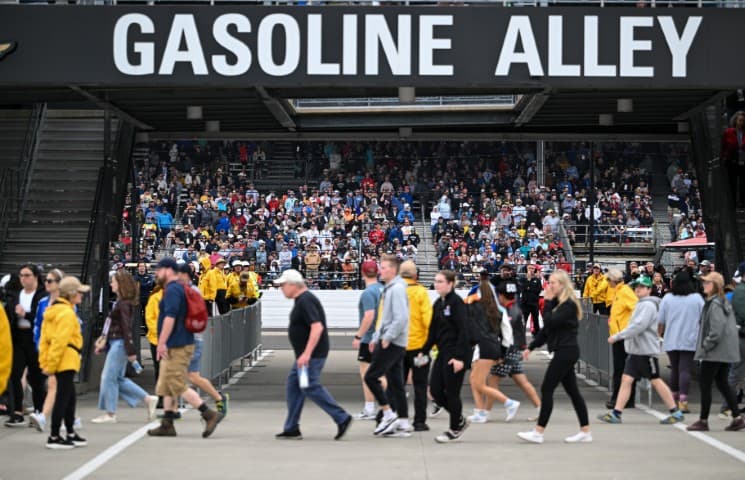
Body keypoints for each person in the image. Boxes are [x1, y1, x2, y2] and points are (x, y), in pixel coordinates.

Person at [147, 258, 223, 438]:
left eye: (158, 270)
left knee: (175, 382)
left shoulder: (173, 290)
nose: (156, 273)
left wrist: (162, 342)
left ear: (167, 270)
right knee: (165, 383)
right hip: (177, 341)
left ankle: (208, 413)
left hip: (178, 343)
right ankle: (167, 423)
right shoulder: (176, 289)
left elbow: (170, 317)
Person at [274, 269, 352, 440]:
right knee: (294, 386)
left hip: (311, 355)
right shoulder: (301, 300)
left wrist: (307, 353)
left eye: (283, 285)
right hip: (306, 355)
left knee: (309, 385)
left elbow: (317, 327)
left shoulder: (305, 301)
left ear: (293, 285)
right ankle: (292, 427)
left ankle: (341, 417)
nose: (281, 289)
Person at [598, 276, 685, 425]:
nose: (638, 289)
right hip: (637, 351)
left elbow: (639, 326)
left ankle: (675, 411)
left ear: (649, 289)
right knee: (627, 380)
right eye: (636, 286)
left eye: (642, 287)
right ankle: (616, 413)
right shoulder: (641, 304)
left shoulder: (647, 306)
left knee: (655, 381)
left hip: (645, 352)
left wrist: (618, 336)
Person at [518, 270, 591, 444]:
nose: (549, 286)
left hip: (567, 352)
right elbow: (547, 331)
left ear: (562, 284)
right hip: (563, 351)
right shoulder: (560, 303)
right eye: (549, 283)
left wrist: (548, 301)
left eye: (553, 283)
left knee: (547, 388)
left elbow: (549, 322)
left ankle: (538, 432)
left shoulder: (568, 305)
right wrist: (531, 347)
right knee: (573, 392)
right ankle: (585, 431)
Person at [92, 270, 158, 424]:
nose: (111, 284)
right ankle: (147, 399)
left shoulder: (122, 305)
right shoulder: (122, 303)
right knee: (117, 378)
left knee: (108, 377)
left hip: (119, 343)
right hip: (118, 343)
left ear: (121, 284)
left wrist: (130, 350)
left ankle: (110, 413)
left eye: (113, 281)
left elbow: (125, 328)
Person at [686, 272, 745, 431]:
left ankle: (703, 420)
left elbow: (716, 331)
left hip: (714, 351)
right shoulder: (721, 301)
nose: (704, 285)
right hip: (723, 350)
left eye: (707, 283)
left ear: (715, 286)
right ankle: (737, 417)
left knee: (706, 384)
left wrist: (705, 346)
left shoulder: (715, 304)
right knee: (723, 383)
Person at [419, 270, 470, 443]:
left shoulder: (457, 303)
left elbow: (465, 331)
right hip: (442, 352)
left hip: (455, 353)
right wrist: (423, 350)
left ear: (450, 284)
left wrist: (459, 358)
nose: (437, 284)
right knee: (435, 391)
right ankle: (460, 419)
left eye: (441, 281)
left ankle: (454, 428)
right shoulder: (438, 304)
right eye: (436, 281)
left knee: (452, 392)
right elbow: (433, 331)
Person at [38, 277, 88, 449]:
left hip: (62, 359)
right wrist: (50, 365)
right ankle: (54, 436)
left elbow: (45, 339)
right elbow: (59, 341)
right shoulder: (67, 313)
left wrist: (45, 360)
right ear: (72, 294)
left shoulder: (55, 310)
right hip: (65, 359)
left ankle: (70, 432)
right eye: (79, 292)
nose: (81, 295)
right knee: (63, 398)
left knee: (69, 397)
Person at [364, 254, 411, 437]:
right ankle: (404, 423)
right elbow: (386, 316)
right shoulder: (391, 288)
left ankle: (388, 413)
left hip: (392, 341)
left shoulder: (396, 289)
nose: (379, 271)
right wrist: (377, 336)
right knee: (396, 383)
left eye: (382, 268)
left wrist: (386, 337)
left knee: (371, 377)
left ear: (392, 270)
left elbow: (400, 318)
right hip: (393, 340)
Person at [176, 262, 228, 417]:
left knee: (183, 375)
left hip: (188, 338)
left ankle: (173, 411)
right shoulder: (188, 290)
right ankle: (171, 411)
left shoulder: (189, 291)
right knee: (190, 376)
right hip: (190, 337)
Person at [5, 264, 47, 428]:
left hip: (34, 337)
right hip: (18, 337)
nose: (24, 278)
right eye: (21, 275)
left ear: (35, 277)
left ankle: (38, 410)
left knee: (36, 377)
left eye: (27, 275)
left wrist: (26, 315)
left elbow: (41, 318)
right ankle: (16, 411)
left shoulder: (41, 295)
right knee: (15, 373)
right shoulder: (17, 294)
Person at [29, 269, 72, 432]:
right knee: (63, 387)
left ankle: (46, 416)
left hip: (61, 349)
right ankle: (69, 418)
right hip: (45, 348)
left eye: (50, 281)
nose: (47, 283)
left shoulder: (66, 305)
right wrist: (38, 344)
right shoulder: (42, 303)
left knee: (55, 384)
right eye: (46, 280)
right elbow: (38, 325)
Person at [657, 271, 704, 414]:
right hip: (690, 338)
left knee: (675, 370)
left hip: (671, 338)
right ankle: (683, 401)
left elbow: (661, 321)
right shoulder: (696, 298)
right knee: (685, 369)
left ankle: (673, 399)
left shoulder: (667, 298)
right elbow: (704, 318)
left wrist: (658, 335)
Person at [400, 260, 433, 432]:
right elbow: (428, 319)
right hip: (419, 347)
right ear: (415, 275)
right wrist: (432, 344)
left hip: (398, 347)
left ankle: (398, 417)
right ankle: (419, 421)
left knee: (398, 383)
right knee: (420, 385)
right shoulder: (420, 292)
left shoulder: (393, 290)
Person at [351, 261, 383, 421]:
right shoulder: (383, 289)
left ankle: (370, 407)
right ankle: (385, 402)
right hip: (381, 337)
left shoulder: (368, 293)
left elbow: (369, 315)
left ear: (363, 273)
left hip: (369, 338)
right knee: (380, 373)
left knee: (367, 374)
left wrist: (358, 335)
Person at [605, 268, 638, 409]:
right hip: (620, 335)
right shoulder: (619, 291)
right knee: (625, 369)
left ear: (613, 280)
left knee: (620, 369)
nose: (607, 282)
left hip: (622, 336)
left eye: (608, 280)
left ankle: (617, 399)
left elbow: (636, 307)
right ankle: (627, 399)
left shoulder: (624, 291)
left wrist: (627, 327)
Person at [724, 261, 745, 417]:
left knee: (735, 372)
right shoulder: (740, 292)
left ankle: (728, 404)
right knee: (735, 372)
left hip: (740, 335)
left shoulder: (738, 292)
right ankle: (727, 404)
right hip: (741, 336)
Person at [720, 110, 745, 207]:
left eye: (743, 121)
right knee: (732, 183)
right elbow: (723, 146)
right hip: (732, 160)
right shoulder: (729, 132)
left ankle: (742, 202)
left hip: (743, 160)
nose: (741, 123)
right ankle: (732, 203)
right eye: (740, 120)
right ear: (735, 121)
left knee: (743, 182)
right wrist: (723, 157)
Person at [521, 264, 543, 335]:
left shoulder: (537, 280)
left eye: (533, 268)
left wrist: (529, 288)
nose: (531, 270)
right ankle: (521, 336)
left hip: (534, 304)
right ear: (526, 269)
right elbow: (523, 288)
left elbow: (537, 290)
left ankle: (537, 335)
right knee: (524, 320)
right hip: (525, 304)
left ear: (535, 270)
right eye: (529, 268)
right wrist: (529, 281)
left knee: (536, 321)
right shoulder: (522, 279)